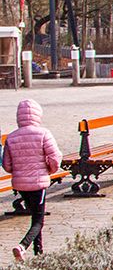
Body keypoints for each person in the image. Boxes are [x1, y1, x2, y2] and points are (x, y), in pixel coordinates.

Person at [3, 99, 63, 261]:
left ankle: (39, 253)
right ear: (38, 115)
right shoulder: (43, 133)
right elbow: (55, 158)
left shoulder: (11, 137)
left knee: (35, 218)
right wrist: (49, 171)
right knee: (38, 221)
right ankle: (22, 246)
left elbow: (7, 165)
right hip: (38, 183)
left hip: (21, 185)